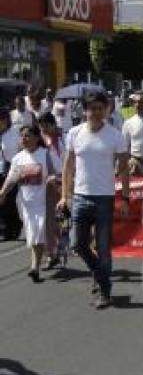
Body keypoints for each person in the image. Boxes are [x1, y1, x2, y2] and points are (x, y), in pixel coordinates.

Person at [58, 91, 130, 309]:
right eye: (92, 108)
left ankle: (104, 292)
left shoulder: (115, 135)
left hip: (104, 198)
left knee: (103, 246)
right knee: (77, 244)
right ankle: (102, 278)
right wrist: (64, 196)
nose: (96, 112)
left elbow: (124, 169)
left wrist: (125, 198)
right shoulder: (74, 133)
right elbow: (68, 167)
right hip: (80, 197)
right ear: (85, 110)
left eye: (101, 108)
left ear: (107, 109)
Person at [0, 125, 61, 282]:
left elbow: (57, 174)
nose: (24, 139)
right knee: (32, 234)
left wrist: (56, 182)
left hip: (44, 201)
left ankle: (34, 267)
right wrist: (2, 193)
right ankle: (52, 255)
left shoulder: (46, 154)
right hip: (26, 202)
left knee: (38, 233)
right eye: (22, 136)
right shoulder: (17, 158)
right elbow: (11, 179)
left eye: (27, 136)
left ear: (36, 137)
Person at [38, 113, 64, 267]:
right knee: (49, 219)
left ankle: (67, 246)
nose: (44, 129)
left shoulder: (65, 136)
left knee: (67, 218)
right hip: (48, 183)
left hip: (67, 180)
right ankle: (51, 254)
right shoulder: (40, 141)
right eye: (41, 127)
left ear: (54, 124)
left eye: (47, 126)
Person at [0, 107, 23, 240]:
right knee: (4, 202)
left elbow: (22, 150)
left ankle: (10, 229)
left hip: (12, 170)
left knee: (8, 201)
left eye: (2, 119)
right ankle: (9, 228)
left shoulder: (15, 133)